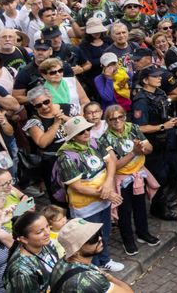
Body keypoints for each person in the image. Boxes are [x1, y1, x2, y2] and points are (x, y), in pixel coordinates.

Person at [55, 115, 124, 272]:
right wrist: (106, 193)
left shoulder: (94, 141)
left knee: (104, 232)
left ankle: (104, 260)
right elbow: (77, 187)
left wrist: (108, 184)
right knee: (89, 239)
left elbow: (110, 162)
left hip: (103, 200)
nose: (86, 133)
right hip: (85, 206)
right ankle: (93, 268)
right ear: (73, 137)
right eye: (81, 132)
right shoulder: (65, 156)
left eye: (88, 129)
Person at [98, 104, 161, 257]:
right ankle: (128, 240)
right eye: (112, 119)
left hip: (139, 174)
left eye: (120, 117)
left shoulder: (133, 128)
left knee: (140, 206)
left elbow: (150, 148)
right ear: (107, 121)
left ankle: (143, 233)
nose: (117, 121)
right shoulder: (104, 139)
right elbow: (114, 165)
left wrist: (143, 148)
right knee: (124, 211)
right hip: (122, 179)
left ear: (125, 116)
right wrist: (134, 152)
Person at [130, 65, 177, 221]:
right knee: (158, 178)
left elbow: (165, 113)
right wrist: (163, 126)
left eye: (160, 76)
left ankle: (165, 202)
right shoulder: (141, 100)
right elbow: (140, 127)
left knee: (171, 175)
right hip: (153, 145)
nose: (159, 78)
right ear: (145, 80)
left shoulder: (160, 93)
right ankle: (158, 209)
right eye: (155, 76)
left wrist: (172, 120)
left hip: (168, 142)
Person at [48, 219, 134, 293]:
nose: (100, 238)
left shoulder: (61, 262)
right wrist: (110, 277)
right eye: (93, 239)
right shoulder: (90, 279)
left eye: (98, 233)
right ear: (76, 251)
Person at [2, 211, 59, 293]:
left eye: (47, 226)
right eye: (40, 232)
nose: (47, 232)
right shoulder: (21, 272)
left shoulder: (45, 244)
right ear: (24, 239)